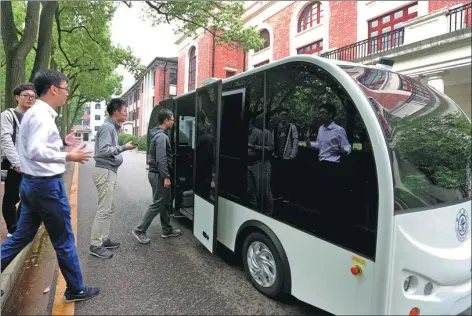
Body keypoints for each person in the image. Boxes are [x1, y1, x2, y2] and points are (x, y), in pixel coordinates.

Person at [1, 69, 99, 303]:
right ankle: (76, 288)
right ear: (54, 89)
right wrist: (68, 155)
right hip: (46, 188)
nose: (66, 94)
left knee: (21, 236)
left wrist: (63, 144)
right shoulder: (42, 116)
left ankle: (75, 286)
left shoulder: (35, 114)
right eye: (65, 89)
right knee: (63, 239)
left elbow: (34, 146)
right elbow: (36, 150)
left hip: (32, 185)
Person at [89, 98, 136, 259]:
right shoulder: (107, 127)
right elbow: (103, 150)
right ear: (116, 112)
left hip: (109, 172)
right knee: (104, 209)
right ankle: (95, 245)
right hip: (105, 172)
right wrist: (124, 147)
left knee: (109, 207)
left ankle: (104, 239)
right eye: (124, 111)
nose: (126, 113)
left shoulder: (112, 128)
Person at [132, 109, 181, 244]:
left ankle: (166, 229)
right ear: (165, 121)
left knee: (165, 201)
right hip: (159, 175)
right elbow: (161, 159)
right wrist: (166, 176)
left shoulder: (159, 134)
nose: (173, 122)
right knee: (158, 203)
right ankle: (140, 230)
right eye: (172, 120)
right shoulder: (161, 137)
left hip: (157, 174)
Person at [1, 83, 36, 236]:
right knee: (11, 196)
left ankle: (22, 224)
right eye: (26, 95)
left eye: (33, 96)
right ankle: (13, 229)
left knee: (30, 195)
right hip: (13, 163)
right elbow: (5, 139)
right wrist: (16, 162)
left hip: (30, 163)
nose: (30, 98)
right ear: (17, 97)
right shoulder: (7, 115)